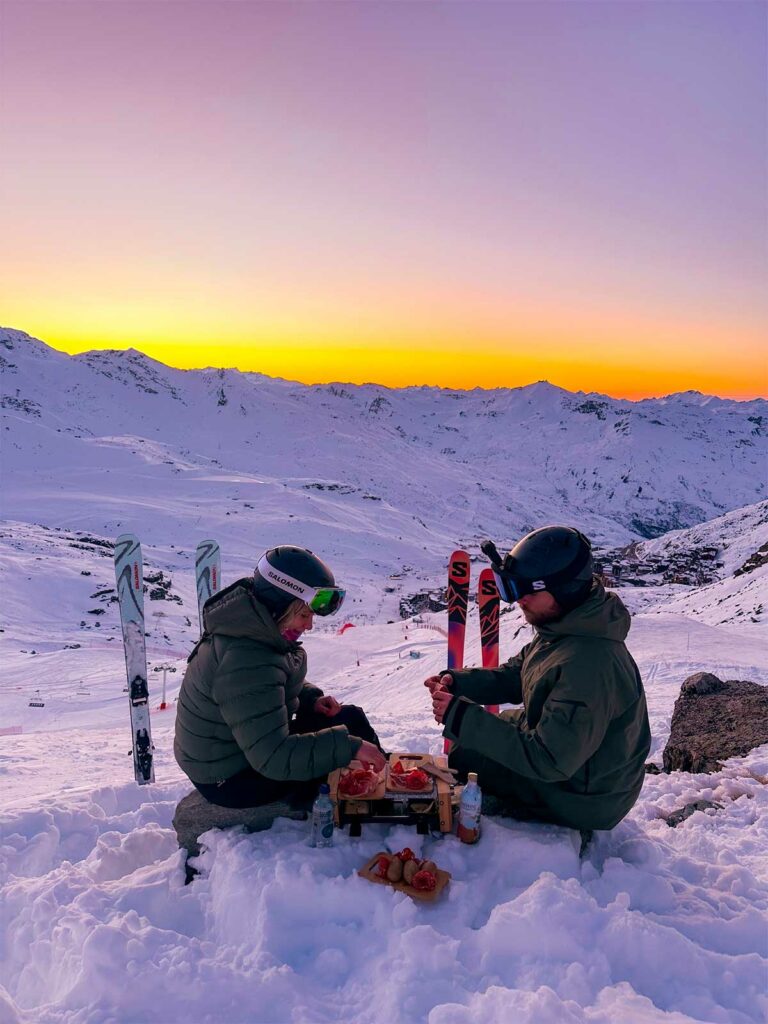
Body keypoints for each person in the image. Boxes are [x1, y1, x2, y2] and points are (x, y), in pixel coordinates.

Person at [426, 526, 651, 832]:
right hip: (583, 767)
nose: (518, 600)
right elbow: (520, 674)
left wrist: (460, 716)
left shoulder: (587, 665)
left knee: (466, 755)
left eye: (527, 591)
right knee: (478, 740)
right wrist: (458, 682)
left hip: (586, 798)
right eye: (512, 589)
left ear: (563, 589)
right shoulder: (566, 627)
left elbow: (549, 759)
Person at [175, 545, 386, 808]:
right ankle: (378, 796)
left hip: (241, 750)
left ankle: (386, 782)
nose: (309, 626)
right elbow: (274, 758)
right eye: (303, 615)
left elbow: (268, 684)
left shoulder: (257, 628)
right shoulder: (245, 657)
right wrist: (347, 749)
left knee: (349, 718)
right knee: (337, 754)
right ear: (280, 607)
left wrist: (309, 698)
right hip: (228, 777)